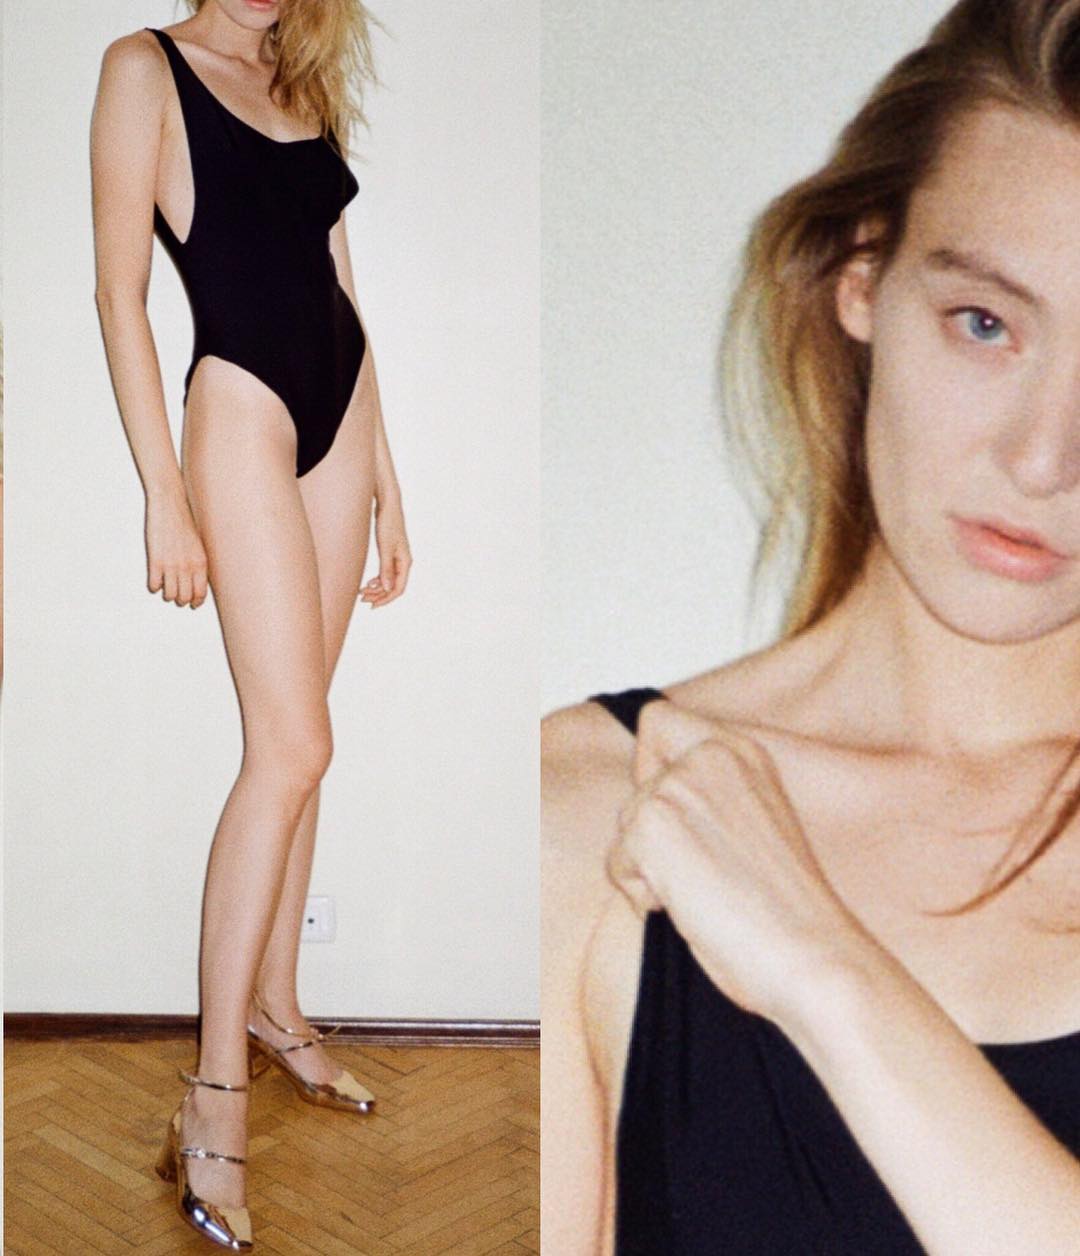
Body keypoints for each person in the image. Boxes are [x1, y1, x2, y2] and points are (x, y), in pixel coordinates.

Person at [542, 0, 1080, 1251]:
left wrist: (823, 966)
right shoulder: (587, 811)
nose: (1043, 456)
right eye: (986, 323)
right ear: (862, 281)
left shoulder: (692, 839)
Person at [90, 1, 411, 1248]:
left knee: (304, 739)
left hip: (342, 407)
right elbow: (120, 293)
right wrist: (161, 492)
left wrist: (388, 478)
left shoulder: (302, 73)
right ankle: (213, 1089)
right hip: (241, 409)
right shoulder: (145, 69)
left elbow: (341, 281)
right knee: (292, 746)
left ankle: (279, 1004)